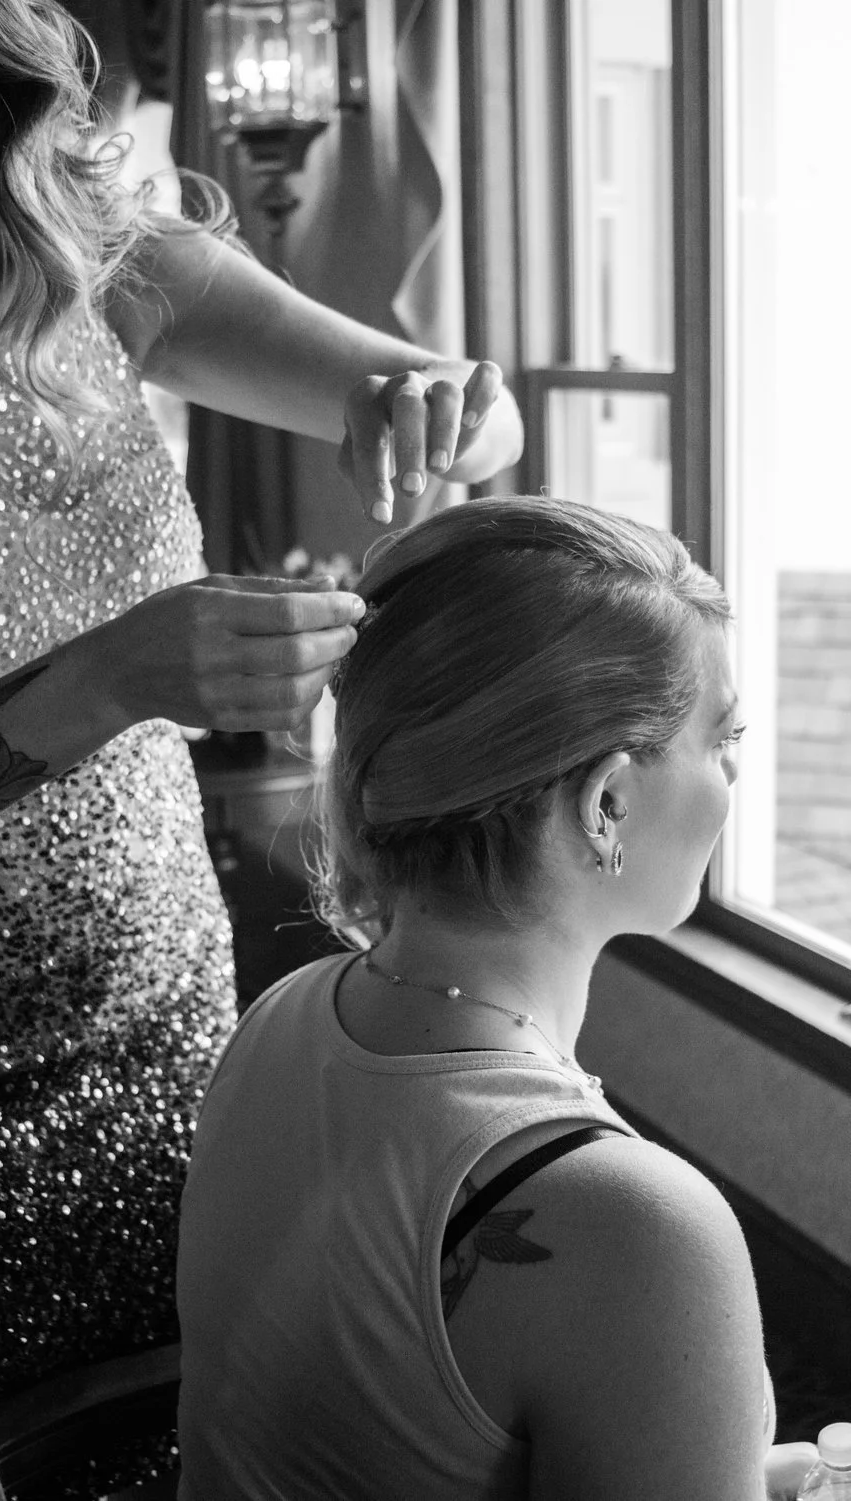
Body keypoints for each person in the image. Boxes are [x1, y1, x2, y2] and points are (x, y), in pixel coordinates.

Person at [0, 0, 523, 1436]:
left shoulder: (106, 267)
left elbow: (483, 420)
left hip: (169, 1032)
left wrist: (436, 406)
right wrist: (108, 681)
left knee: (218, 1429)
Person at [176, 496, 818, 1501]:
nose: (733, 778)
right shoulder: (634, 1228)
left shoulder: (286, 1015)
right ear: (607, 802)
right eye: (720, 738)